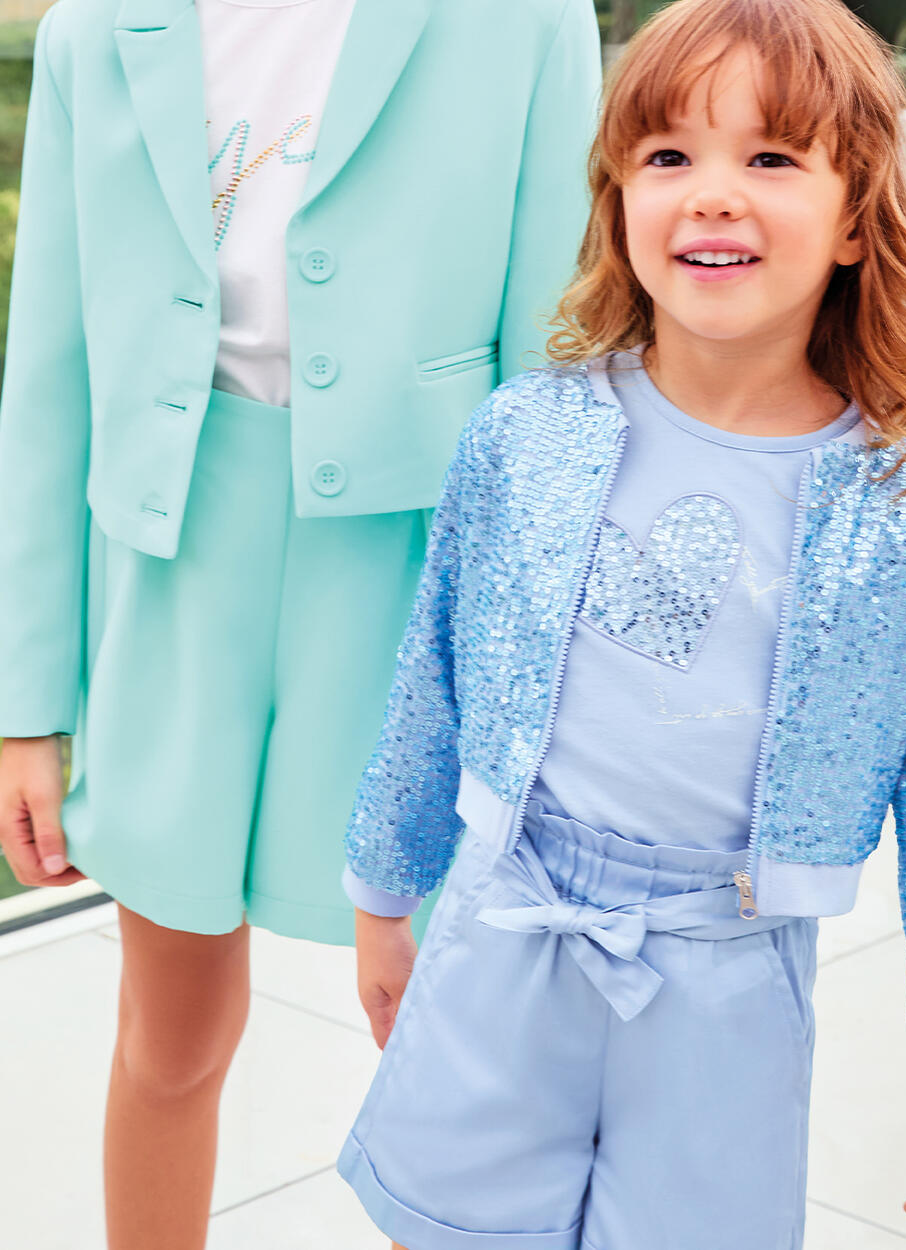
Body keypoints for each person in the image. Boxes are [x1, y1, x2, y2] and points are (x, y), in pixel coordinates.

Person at [338, 0, 906, 1246]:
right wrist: (384, 892)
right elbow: (432, 669)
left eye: (768, 157)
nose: (712, 193)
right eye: (668, 155)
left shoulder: (899, 516)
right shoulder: (524, 436)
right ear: (617, 201)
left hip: (727, 970)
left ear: (854, 218)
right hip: (506, 918)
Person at [0, 1, 601, 1247]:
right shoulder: (94, 32)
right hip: (166, 571)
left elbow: (554, 362)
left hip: (419, 569)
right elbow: (46, 377)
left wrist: (540, 674)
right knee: (168, 1034)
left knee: (441, 1036)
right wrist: (25, 704)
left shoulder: (523, 21)